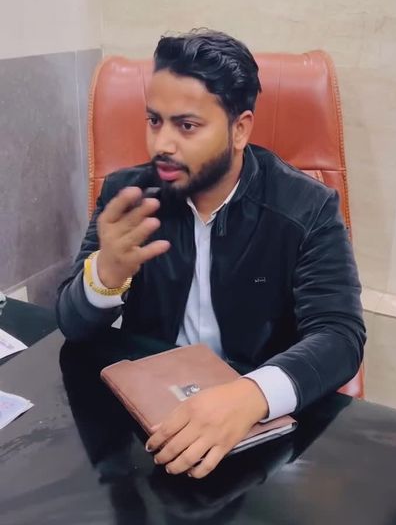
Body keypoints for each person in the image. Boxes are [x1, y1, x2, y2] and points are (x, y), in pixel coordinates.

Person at [56, 28, 366, 479]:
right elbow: (72, 324)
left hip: (260, 433)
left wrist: (251, 394)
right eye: (154, 121)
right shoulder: (129, 195)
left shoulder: (307, 207)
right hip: (152, 421)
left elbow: (339, 335)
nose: (162, 144)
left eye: (186, 126)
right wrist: (106, 274)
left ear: (239, 129)